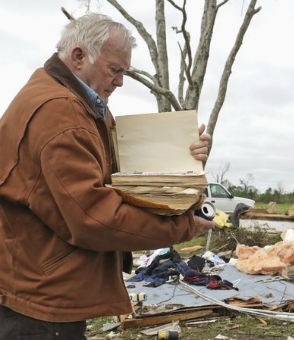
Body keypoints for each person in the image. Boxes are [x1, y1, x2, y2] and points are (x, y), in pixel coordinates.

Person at [0, 13, 214, 339]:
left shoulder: (74, 103)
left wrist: (185, 159)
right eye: (115, 70)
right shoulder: (61, 113)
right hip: (40, 300)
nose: (120, 82)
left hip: (39, 284)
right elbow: (94, 217)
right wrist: (184, 225)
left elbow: (118, 175)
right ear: (78, 56)